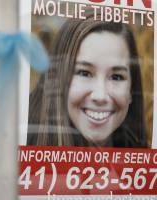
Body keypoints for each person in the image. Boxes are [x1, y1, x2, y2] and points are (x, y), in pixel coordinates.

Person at [27, 15, 148, 148]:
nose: (100, 96)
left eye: (116, 77)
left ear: (131, 90)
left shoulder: (144, 160)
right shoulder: (14, 151)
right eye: (84, 73)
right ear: (57, 81)